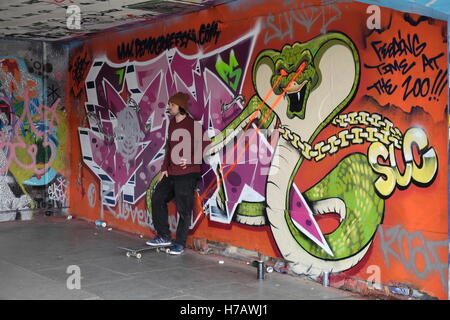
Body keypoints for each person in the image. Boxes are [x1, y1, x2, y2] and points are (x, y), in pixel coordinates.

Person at [146, 92, 209, 255]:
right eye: (169, 104)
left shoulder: (193, 125)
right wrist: (164, 168)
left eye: (172, 105)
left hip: (188, 174)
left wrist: (190, 159)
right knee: (157, 198)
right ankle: (164, 236)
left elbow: (206, 146)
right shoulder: (172, 124)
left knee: (184, 209)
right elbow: (169, 148)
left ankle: (179, 243)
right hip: (171, 173)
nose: (169, 107)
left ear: (180, 107)